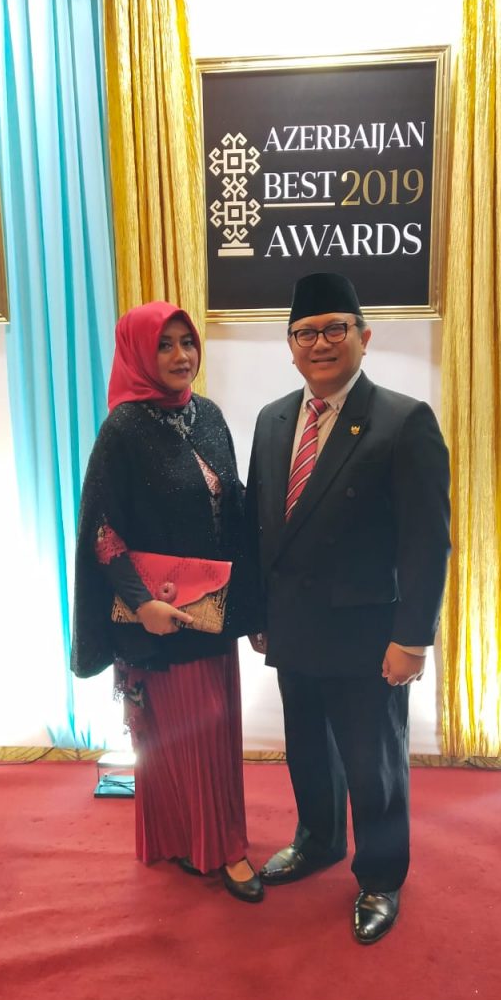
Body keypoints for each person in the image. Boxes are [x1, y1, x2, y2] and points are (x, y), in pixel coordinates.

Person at [245, 272, 450, 941]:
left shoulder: (403, 420)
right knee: (307, 749)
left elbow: (427, 541)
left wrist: (412, 637)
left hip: (368, 636)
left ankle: (382, 877)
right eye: (305, 333)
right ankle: (320, 840)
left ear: (364, 337)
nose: (321, 343)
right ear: (290, 347)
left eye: (336, 329)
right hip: (293, 627)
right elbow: (260, 525)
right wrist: (258, 615)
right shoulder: (274, 419)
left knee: (373, 766)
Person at [72, 301, 263, 903]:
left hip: (212, 612)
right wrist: (141, 605)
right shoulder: (123, 429)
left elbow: (233, 505)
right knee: (187, 734)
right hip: (160, 619)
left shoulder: (208, 415)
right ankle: (222, 849)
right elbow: (101, 529)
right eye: (165, 345)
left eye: (188, 342)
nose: (182, 356)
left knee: (213, 732)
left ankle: (192, 836)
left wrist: (255, 607)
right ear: (138, 354)